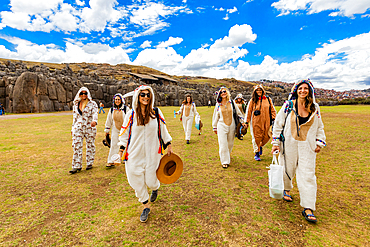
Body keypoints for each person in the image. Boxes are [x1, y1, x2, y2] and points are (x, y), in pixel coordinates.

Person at [271, 79, 326, 223]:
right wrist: (276, 142)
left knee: (308, 175)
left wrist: (319, 141)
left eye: (306, 88)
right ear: (296, 90)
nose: (303, 91)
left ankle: (308, 207)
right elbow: (278, 123)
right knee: (287, 169)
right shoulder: (288, 105)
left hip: (307, 146)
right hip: (289, 143)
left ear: (310, 91)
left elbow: (320, 126)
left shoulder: (315, 108)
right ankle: (286, 189)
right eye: (300, 88)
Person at [118, 85, 173, 223]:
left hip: (152, 153)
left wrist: (168, 144)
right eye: (142, 95)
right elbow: (124, 135)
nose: (146, 97)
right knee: (135, 179)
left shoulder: (155, 113)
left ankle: (155, 188)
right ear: (137, 96)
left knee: (151, 180)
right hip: (134, 154)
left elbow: (163, 130)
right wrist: (120, 151)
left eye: (148, 95)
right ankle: (145, 205)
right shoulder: (131, 114)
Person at [212, 87, 246, 169]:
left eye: (224, 91)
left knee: (230, 144)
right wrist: (214, 127)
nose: (223, 93)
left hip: (232, 125)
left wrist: (243, 122)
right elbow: (215, 116)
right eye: (221, 92)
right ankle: (225, 161)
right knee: (223, 144)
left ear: (227, 93)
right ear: (219, 94)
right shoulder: (218, 104)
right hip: (221, 125)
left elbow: (239, 113)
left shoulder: (232, 103)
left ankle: (227, 155)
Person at [70, 87, 98, 174]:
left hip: (89, 127)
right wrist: (72, 128)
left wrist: (94, 121)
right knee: (76, 145)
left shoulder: (92, 104)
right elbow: (74, 118)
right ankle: (76, 165)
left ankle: (89, 162)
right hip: (78, 127)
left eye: (85, 93)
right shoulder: (76, 104)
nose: (83, 95)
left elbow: (95, 113)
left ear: (88, 94)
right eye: (81, 93)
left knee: (90, 145)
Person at [245, 85, 276, 161]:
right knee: (256, 137)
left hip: (267, 121)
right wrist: (246, 122)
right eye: (257, 90)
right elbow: (248, 111)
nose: (259, 91)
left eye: (260, 90)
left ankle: (260, 146)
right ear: (255, 92)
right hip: (256, 121)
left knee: (266, 136)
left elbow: (272, 109)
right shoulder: (252, 100)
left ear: (263, 91)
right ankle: (257, 152)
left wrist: (274, 118)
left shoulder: (268, 99)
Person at [104, 93, 128, 168]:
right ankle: (111, 161)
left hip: (125, 130)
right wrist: (107, 130)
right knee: (114, 145)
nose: (117, 101)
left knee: (125, 144)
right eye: (116, 100)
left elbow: (130, 119)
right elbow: (109, 120)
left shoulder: (126, 109)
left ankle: (124, 158)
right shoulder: (112, 110)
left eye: (119, 99)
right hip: (115, 129)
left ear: (121, 100)